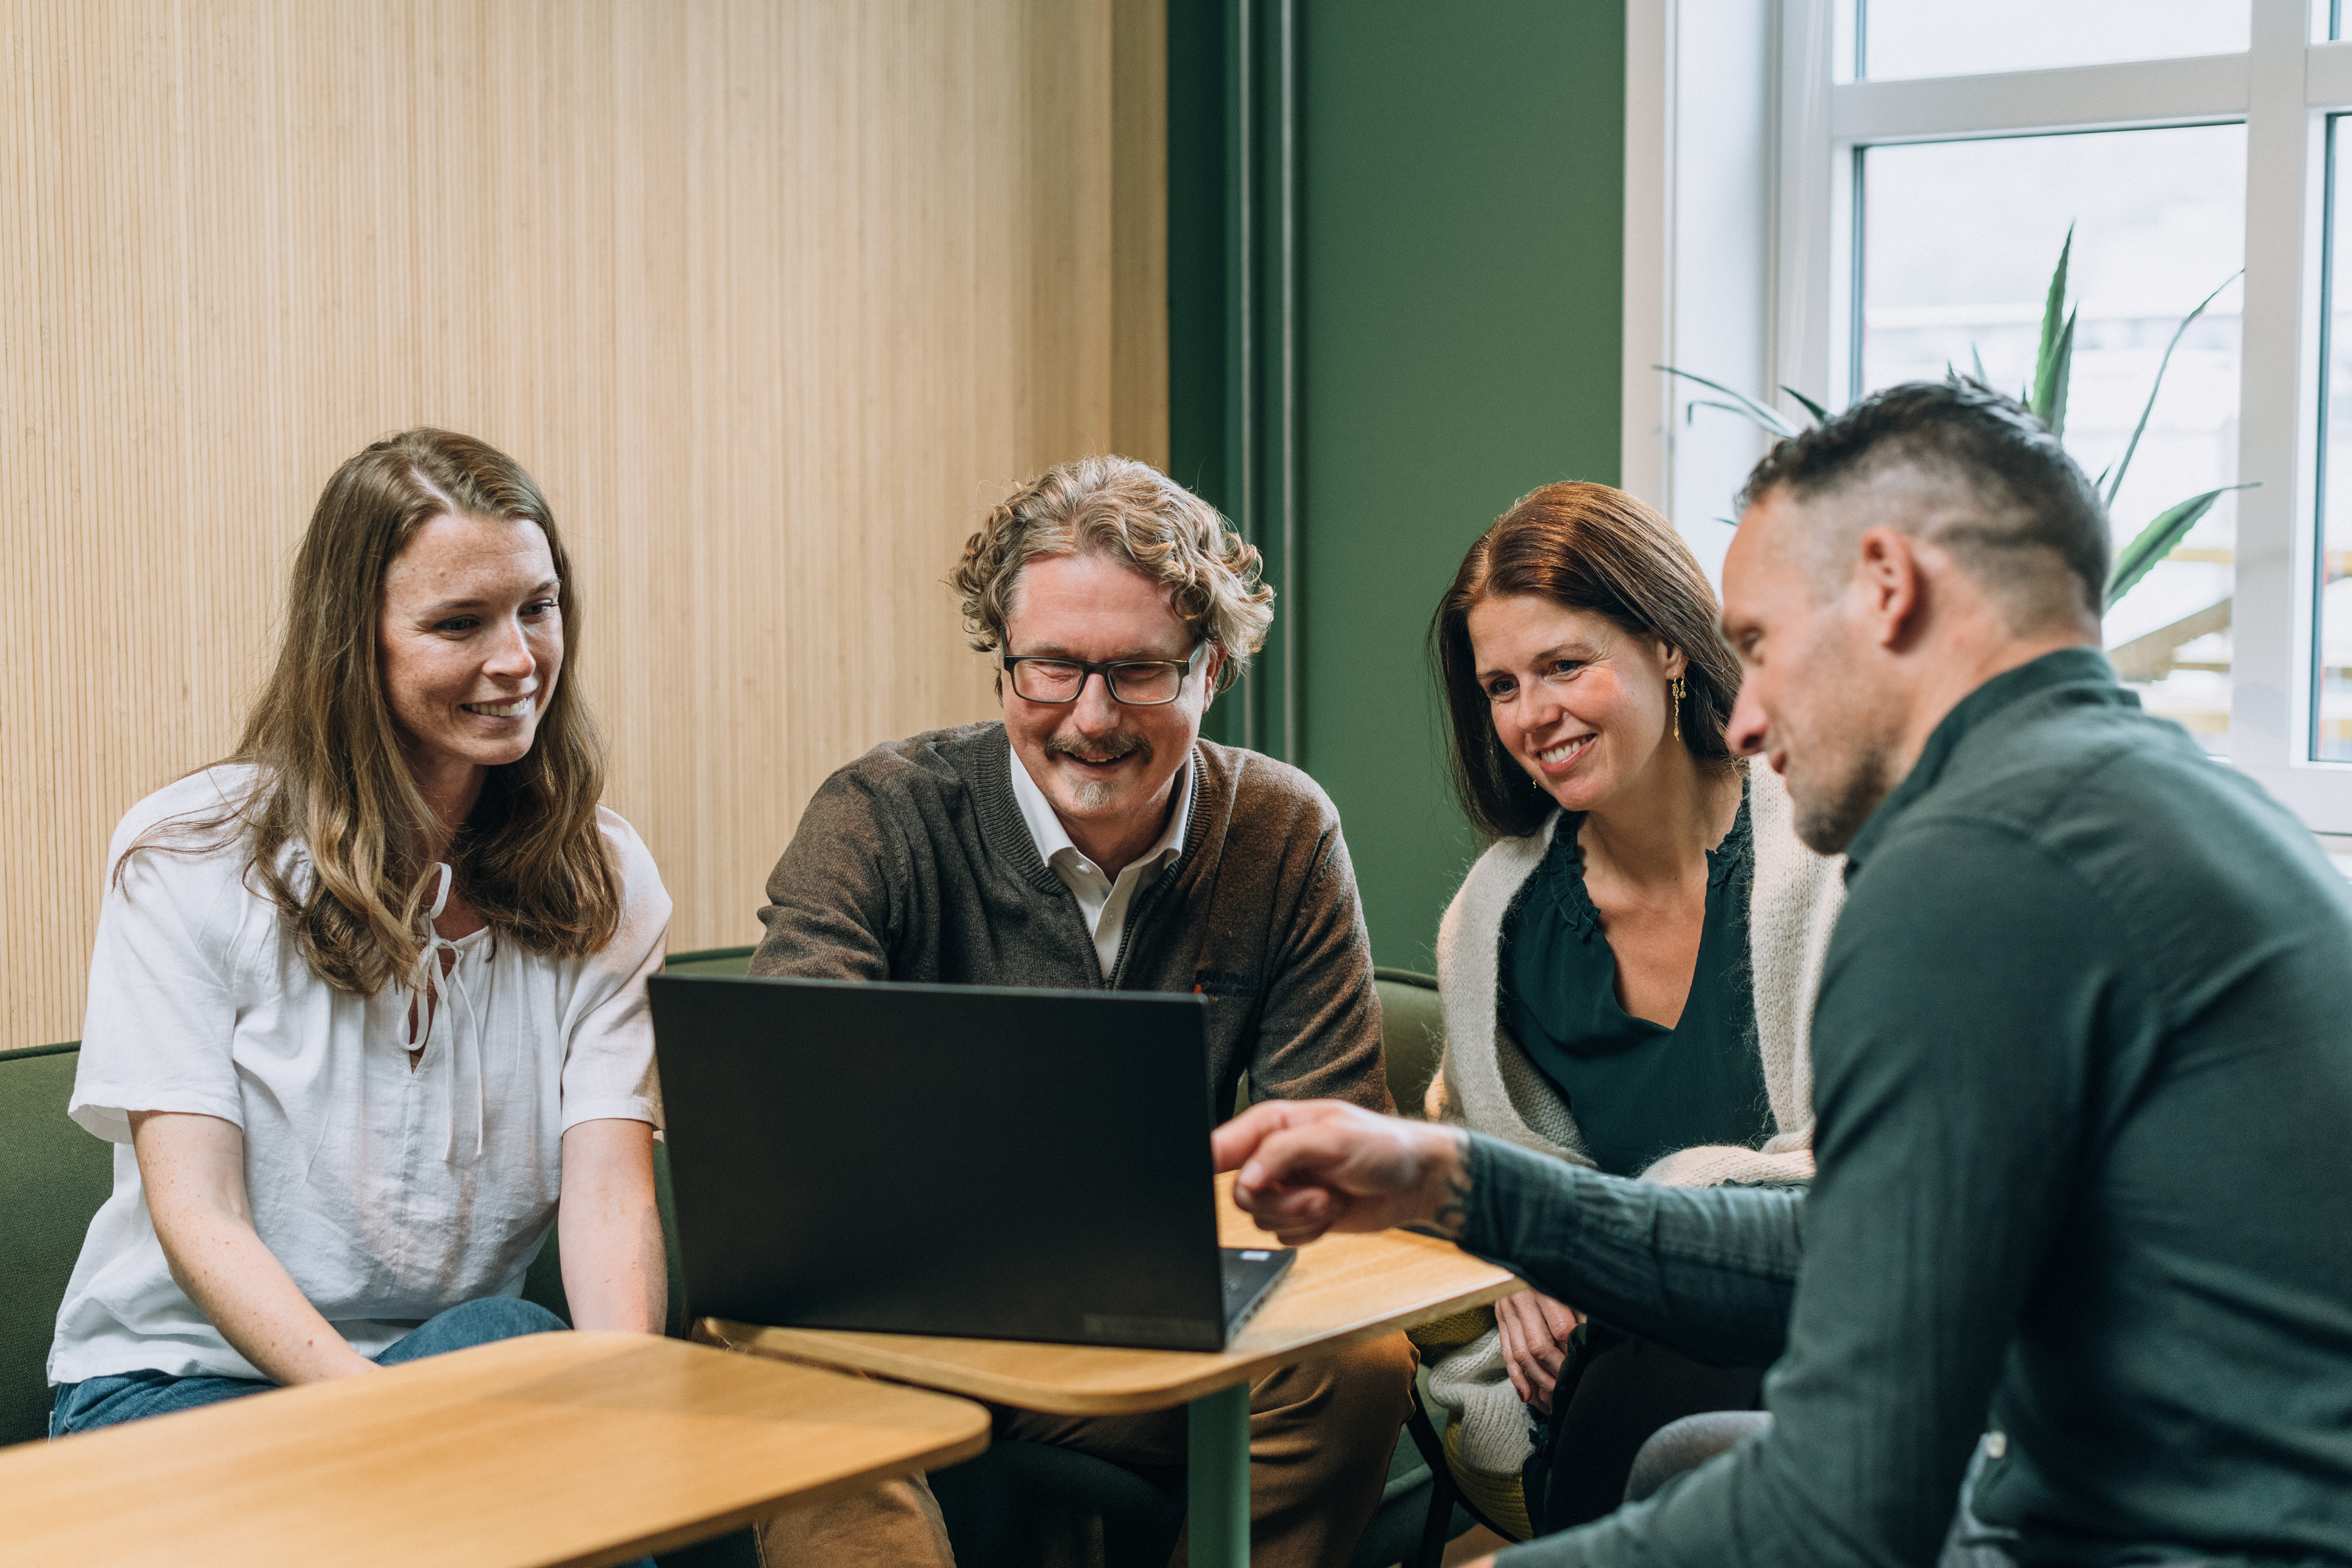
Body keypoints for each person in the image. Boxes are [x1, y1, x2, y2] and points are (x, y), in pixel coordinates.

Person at [1208, 381, 2352, 1567]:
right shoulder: (2147, 802)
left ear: (1889, 588)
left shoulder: (1972, 869)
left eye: (1756, 646)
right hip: (2142, 1500)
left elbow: (1848, 1506)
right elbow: (1839, 1242)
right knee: (1671, 1460)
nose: (1744, 716)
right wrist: (1455, 1181)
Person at [750, 455, 1417, 1568]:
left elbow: (1330, 1152)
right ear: (1003, 662)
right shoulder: (880, 814)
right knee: (799, 1382)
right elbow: (786, 1106)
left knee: (1360, 1365)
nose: (1092, 717)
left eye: (1140, 673)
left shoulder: (1281, 833)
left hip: (1148, 1312)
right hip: (893, 1313)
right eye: (1051, 669)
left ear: (1210, 667)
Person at [48, 430, 670, 1452]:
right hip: (182, 1386)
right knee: (506, 1378)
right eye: (459, 623)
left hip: (456, 1379)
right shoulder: (188, 858)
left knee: (520, 1344)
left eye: (538, 607)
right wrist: (392, 1421)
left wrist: (627, 1422)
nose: (517, 660)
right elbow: (198, 1212)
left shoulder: (606, 876)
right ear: (354, 641)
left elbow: (608, 1199)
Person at [1417, 482, 1841, 1539]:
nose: (1533, 715)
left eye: (1566, 665)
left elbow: (1883, 1167)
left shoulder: (1830, 853)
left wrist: (1610, 1245)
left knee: (1668, 1374)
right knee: (1637, 1382)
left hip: (1821, 1313)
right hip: (1604, 1362)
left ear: (1668, 645)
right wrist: (1525, 1259)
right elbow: (1477, 1159)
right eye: (1501, 685)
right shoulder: (1495, 923)